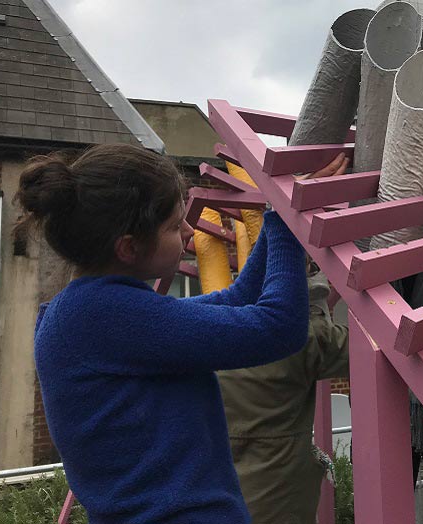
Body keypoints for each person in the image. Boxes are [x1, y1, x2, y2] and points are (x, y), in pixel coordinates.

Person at [19, 144, 338, 523]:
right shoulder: (103, 316)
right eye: (173, 226)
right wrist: (287, 226)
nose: (189, 230)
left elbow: (237, 299)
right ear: (128, 247)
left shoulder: (86, 311)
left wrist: (278, 216)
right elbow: (279, 329)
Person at [222, 259, 349, 524]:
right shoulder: (299, 341)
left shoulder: (219, 337)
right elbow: (366, 346)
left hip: (228, 500)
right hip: (280, 503)